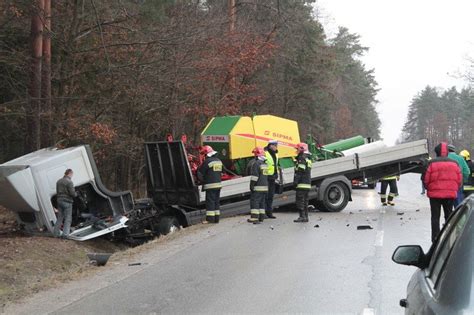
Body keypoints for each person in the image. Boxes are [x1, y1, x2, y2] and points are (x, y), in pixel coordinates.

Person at [423, 142, 462, 242]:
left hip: (434, 196)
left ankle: (435, 239)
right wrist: (454, 189)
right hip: (450, 195)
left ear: (436, 152)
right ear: (447, 152)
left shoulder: (431, 163)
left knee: (435, 217)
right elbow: (459, 180)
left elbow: (426, 179)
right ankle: (449, 237)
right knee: (449, 216)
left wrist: (429, 188)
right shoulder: (455, 163)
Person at [197, 145, 223, 224]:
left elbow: (200, 173)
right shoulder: (219, 161)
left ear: (206, 154)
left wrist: (202, 181)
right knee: (216, 202)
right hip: (218, 185)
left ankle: (210, 219)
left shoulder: (207, 162)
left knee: (210, 202)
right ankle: (216, 219)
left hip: (210, 185)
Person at [53, 169, 77, 238]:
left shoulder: (58, 181)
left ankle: (56, 233)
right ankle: (65, 234)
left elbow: (57, 192)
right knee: (68, 218)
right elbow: (72, 193)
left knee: (60, 218)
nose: (72, 176)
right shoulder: (69, 182)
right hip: (67, 201)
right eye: (72, 174)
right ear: (70, 173)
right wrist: (76, 194)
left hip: (59, 200)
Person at [247, 147, 268, 224]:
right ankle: (261, 217)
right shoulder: (265, 164)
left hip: (258, 187)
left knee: (255, 201)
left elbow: (255, 177)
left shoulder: (256, 164)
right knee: (262, 202)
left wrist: (251, 185)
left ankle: (254, 218)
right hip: (264, 187)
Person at [293, 143, 312, 223]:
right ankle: (305, 217)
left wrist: (295, 182)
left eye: (297, 149)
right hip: (307, 183)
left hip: (301, 183)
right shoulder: (307, 158)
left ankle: (302, 216)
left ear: (301, 149)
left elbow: (300, 171)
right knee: (305, 201)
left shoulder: (301, 158)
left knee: (300, 201)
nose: (296, 151)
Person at [264, 140, 279, 219]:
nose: (276, 147)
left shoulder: (276, 153)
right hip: (266, 177)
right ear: (270, 145)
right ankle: (264, 213)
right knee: (265, 196)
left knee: (270, 196)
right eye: (275, 145)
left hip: (273, 177)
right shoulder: (265, 153)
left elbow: (275, 165)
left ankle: (269, 212)